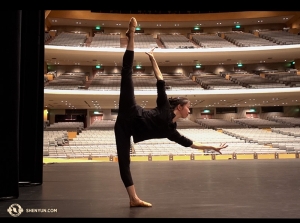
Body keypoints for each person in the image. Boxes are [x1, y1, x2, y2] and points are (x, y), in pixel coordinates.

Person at [114, 17, 228, 208]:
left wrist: (212, 147)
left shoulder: (171, 131)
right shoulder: (165, 106)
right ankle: (131, 34)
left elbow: (191, 144)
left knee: (124, 163)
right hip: (130, 110)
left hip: (125, 130)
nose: (190, 109)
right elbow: (160, 80)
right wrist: (152, 58)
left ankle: (133, 199)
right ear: (179, 107)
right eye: (188, 106)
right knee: (127, 73)